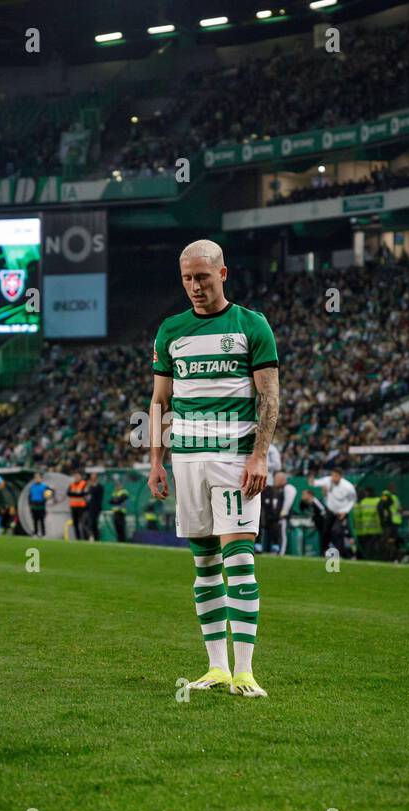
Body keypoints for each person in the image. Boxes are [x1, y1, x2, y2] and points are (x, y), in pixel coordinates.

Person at [147, 238, 279, 698]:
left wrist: (260, 455)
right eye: (187, 278)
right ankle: (217, 668)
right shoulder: (170, 331)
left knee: (239, 561)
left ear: (222, 273)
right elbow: (160, 401)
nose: (195, 286)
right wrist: (156, 462)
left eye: (202, 277)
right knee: (204, 564)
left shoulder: (251, 325)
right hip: (186, 459)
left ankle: (245, 672)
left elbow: (269, 397)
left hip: (233, 461)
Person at [310, 468, 357, 558]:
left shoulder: (348, 487)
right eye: (332, 475)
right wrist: (311, 478)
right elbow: (314, 483)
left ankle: (341, 553)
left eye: (335, 476)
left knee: (337, 531)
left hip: (341, 512)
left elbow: (352, 500)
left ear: (340, 476)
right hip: (330, 510)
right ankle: (324, 552)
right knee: (326, 531)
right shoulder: (328, 480)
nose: (333, 478)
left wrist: (345, 511)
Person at [300, 487, 329, 554]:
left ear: (309, 495)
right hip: (318, 524)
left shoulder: (316, 501)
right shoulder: (306, 503)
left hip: (323, 524)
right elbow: (301, 509)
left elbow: (323, 511)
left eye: (304, 494)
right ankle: (323, 554)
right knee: (321, 540)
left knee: (324, 540)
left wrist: (325, 524)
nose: (302, 496)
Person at [28, 473, 51, 537]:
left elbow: (50, 492)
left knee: (42, 520)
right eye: (35, 477)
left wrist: (46, 498)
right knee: (34, 520)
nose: (37, 479)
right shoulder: (32, 486)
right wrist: (30, 504)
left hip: (41, 505)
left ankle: (43, 534)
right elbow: (30, 496)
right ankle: (35, 533)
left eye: (38, 477)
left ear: (41, 478)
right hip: (33, 505)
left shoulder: (45, 486)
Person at [67, 470, 88, 540]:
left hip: (81, 507)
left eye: (78, 476)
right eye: (75, 476)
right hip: (73, 506)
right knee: (75, 524)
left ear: (81, 476)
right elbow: (68, 493)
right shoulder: (71, 484)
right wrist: (77, 493)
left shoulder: (84, 483)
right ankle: (77, 538)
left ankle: (85, 538)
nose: (76, 477)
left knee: (83, 524)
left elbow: (83, 493)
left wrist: (75, 493)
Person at [85, 472, 104, 541]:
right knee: (89, 523)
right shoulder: (89, 487)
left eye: (94, 476)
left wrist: (91, 486)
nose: (92, 478)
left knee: (94, 523)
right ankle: (91, 536)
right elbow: (86, 494)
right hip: (89, 507)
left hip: (96, 508)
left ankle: (95, 537)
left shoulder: (99, 487)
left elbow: (96, 495)